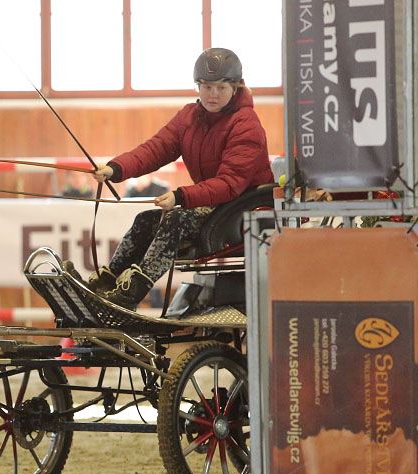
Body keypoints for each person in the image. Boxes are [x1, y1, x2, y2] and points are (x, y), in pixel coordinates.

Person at [66, 48, 273, 309]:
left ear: (236, 87)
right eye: (206, 87)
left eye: (221, 88)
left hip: (241, 210)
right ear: (198, 87)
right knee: (145, 221)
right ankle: (107, 284)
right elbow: (156, 148)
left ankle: (131, 294)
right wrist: (116, 169)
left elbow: (231, 182)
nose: (213, 95)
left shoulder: (246, 124)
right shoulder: (189, 117)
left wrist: (181, 196)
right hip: (215, 204)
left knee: (176, 219)